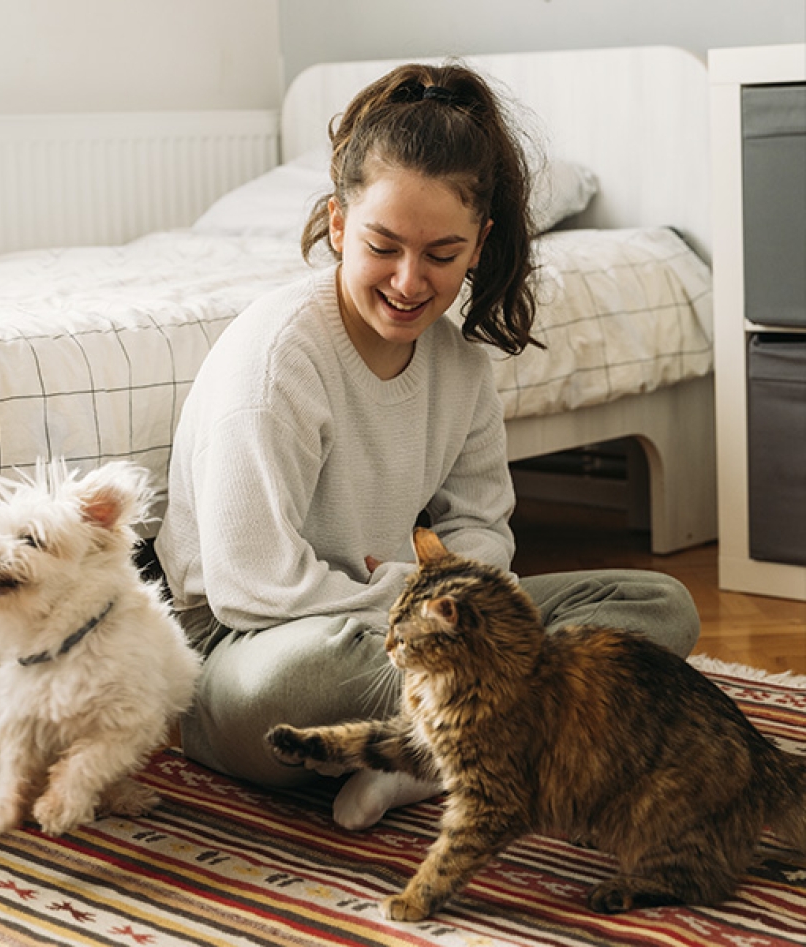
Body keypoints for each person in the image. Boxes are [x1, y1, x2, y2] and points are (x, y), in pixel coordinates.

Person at [155, 61, 700, 831]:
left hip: (413, 631)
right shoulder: (277, 357)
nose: (410, 281)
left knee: (657, 606)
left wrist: (448, 603)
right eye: (383, 246)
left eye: (441, 255)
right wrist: (415, 603)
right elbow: (250, 584)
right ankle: (475, 743)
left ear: (477, 245)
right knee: (279, 692)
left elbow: (484, 532)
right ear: (339, 226)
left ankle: (415, 764)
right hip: (254, 648)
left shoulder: (460, 367)